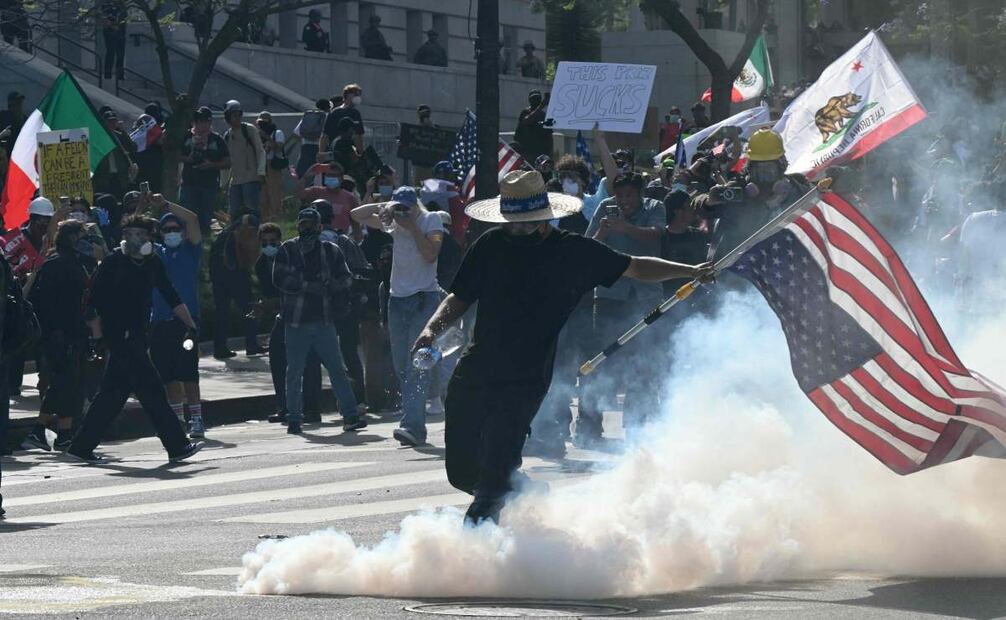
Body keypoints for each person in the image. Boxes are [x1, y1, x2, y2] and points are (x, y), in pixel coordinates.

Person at [412, 170, 713, 524]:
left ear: (544, 217)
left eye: (528, 222)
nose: (519, 229)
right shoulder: (490, 245)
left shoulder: (572, 251)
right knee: (463, 473)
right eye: (513, 223)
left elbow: (635, 267)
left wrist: (689, 270)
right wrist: (431, 330)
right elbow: (459, 297)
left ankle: (477, 548)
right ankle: (521, 490)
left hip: (525, 378)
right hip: (475, 370)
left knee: (493, 477)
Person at [66, 214, 202, 464]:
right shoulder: (113, 261)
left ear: (149, 237)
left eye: (139, 234)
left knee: (112, 394)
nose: (133, 239)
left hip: (138, 335)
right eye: (128, 234)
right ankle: (177, 445)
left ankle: (81, 447)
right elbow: (92, 302)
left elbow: (170, 294)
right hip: (120, 336)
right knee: (152, 391)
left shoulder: (152, 262)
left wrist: (190, 325)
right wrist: (98, 337)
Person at [351, 187, 444, 447]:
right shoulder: (393, 224)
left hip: (423, 298)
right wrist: (385, 207)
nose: (403, 212)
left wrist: (412, 226)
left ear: (416, 206)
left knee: (417, 365)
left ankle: (412, 426)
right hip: (397, 301)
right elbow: (355, 214)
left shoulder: (431, 220)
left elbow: (431, 254)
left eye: (407, 207)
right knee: (401, 365)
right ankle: (414, 420)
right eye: (399, 207)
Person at [580, 172, 667, 442]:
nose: (624, 201)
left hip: (646, 296)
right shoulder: (605, 208)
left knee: (644, 361)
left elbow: (655, 236)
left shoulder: (655, 207)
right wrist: (604, 231)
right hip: (610, 295)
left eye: (630, 195)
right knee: (599, 359)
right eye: (620, 195)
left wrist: (625, 227)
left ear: (640, 194)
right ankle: (588, 426)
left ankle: (638, 425)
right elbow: (586, 246)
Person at [272, 207, 366, 435]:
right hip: (296, 322)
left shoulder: (331, 250)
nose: (306, 229)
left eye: (310, 225)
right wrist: (308, 286)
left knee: (337, 369)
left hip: (324, 321)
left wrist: (332, 286)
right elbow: (280, 278)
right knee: (294, 371)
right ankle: (294, 418)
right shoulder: (288, 249)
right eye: (302, 225)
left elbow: (346, 278)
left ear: (319, 227)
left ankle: (350, 415)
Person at [21, 221, 96, 452]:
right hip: (60, 335)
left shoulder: (77, 262)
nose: (85, 240)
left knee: (69, 384)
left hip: (74, 333)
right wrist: (56, 333)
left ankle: (62, 433)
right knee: (64, 382)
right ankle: (40, 430)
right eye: (81, 235)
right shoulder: (56, 264)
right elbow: (48, 304)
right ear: (71, 237)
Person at [148, 197, 205, 439]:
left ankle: (197, 419)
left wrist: (166, 204)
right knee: (168, 374)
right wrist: (143, 207)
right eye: (166, 229)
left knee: (188, 371)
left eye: (175, 228)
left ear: (182, 232)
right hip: (160, 322)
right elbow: (132, 234)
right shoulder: (155, 253)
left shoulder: (191, 250)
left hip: (187, 323)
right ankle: (178, 420)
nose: (171, 232)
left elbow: (192, 219)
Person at [256, 223, 323, 424]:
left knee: (310, 360)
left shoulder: (292, 256)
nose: (269, 246)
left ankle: (311, 409)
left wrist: (271, 303)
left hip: (305, 313)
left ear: (280, 241)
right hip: (284, 316)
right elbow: (270, 293)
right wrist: (264, 306)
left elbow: (298, 288)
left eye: (273, 242)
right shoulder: (261, 264)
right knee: (277, 357)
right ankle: (284, 407)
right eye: (264, 243)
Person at [209, 212, 262, 359]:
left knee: (221, 314)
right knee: (251, 309)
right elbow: (247, 254)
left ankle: (220, 348)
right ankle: (252, 345)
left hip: (218, 277)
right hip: (236, 275)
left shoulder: (225, 233)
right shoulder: (242, 231)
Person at [180, 106, 230, 234]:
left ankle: (204, 239)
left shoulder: (217, 139)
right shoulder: (186, 137)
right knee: (187, 216)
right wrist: (188, 158)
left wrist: (211, 164)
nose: (202, 125)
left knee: (205, 217)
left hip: (209, 184)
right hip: (189, 183)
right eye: (199, 121)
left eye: (205, 121)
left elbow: (228, 162)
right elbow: (174, 155)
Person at [223, 100, 266, 219]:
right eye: (234, 115)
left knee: (252, 212)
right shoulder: (227, 135)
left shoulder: (249, 129)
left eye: (239, 115)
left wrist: (261, 172)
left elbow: (260, 151)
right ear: (228, 117)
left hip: (251, 178)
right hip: (235, 181)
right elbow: (227, 161)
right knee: (234, 214)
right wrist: (224, 183)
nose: (237, 118)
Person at [297, 162, 360, 237]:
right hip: (319, 237)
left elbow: (356, 224)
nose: (331, 178)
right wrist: (305, 176)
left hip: (340, 238)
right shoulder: (317, 192)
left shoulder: (350, 198)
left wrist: (358, 240)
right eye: (328, 175)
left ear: (341, 179)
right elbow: (300, 194)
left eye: (334, 176)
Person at [93, 110, 138, 199]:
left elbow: (133, 148)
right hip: (104, 177)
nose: (112, 124)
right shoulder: (98, 137)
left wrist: (124, 132)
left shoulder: (120, 136)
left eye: (114, 121)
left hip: (119, 177)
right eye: (109, 122)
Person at [256, 111, 286, 223]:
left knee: (275, 194)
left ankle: (276, 218)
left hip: (272, 165)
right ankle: (264, 219)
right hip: (261, 166)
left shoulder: (277, 133)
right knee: (262, 195)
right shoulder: (256, 135)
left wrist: (267, 137)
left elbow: (279, 147)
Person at [320, 84, 365, 155]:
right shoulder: (354, 113)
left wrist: (321, 153)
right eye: (355, 94)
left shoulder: (334, 112)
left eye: (359, 95)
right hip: (349, 152)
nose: (358, 97)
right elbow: (358, 136)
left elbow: (324, 136)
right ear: (348, 95)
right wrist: (361, 154)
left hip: (334, 151)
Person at [294, 99, 330, 180]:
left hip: (306, 147)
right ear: (328, 107)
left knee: (304, 174)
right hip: (321, 148)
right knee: (322, 174)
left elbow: (297, 133)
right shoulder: (328, 116)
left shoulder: (309, 116)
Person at [514, 90, 551, 164]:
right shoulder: (525, 112)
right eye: (533, 98)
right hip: (525, 151)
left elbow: (549, 135)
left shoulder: (543, 115)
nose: (535, 100)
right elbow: (527, 121)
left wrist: (549, 154)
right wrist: (541, 105)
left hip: (539, 153)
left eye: (538, 98)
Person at [100, 0, 127, 80]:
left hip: (121, 32)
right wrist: (112, 26)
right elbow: (105, 18)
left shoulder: (122, 6)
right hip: (110, 32)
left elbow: (124, 17)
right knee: (110, 53)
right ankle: (108, 74)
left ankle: (120, 75)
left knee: (120, 55)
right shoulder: (107, 5)